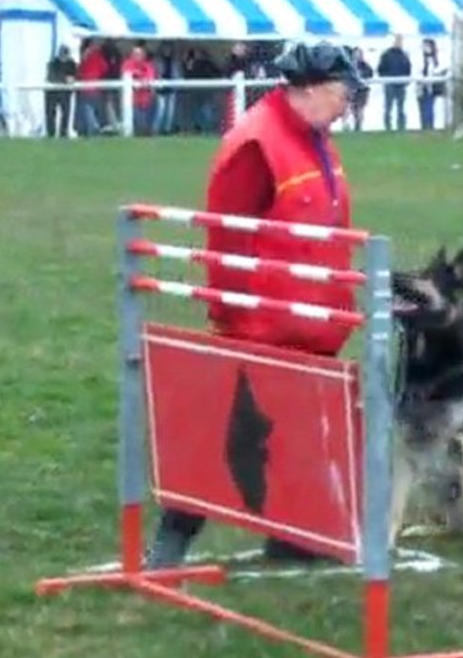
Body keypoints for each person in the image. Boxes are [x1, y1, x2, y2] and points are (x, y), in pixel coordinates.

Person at [145, 41, 365, 569]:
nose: (347, 105)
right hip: (260, 324)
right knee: (221, 430)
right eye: (342, 93)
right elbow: (226, 239)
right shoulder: (256, 144)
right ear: (308, 89)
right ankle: (171, 540)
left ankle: (294, 536)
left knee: (302, 435)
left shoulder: (316, 139)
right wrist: (233, 314)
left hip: (309, 321)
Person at [377, 34, 410, 131]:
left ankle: (401, 126)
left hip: (401, 84)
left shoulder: (404, 55)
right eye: (398, 40)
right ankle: (388, 127)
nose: (399, 43)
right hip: (389, 84)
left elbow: (408, 68)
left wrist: (406, 80)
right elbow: (381, 68)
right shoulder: (386, 55)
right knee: (388, 106)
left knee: (401, 107)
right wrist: (385, 79)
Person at [45, 44, 77, 138]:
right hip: (52, 93)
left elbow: (75, 76)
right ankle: (51, 133)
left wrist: (72, 80)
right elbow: (51, 77)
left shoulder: (72, 64)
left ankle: (64, 133)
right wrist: (65, 79)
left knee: (66, 113)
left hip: (65, 93)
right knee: (51, 114)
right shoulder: (53, 63)